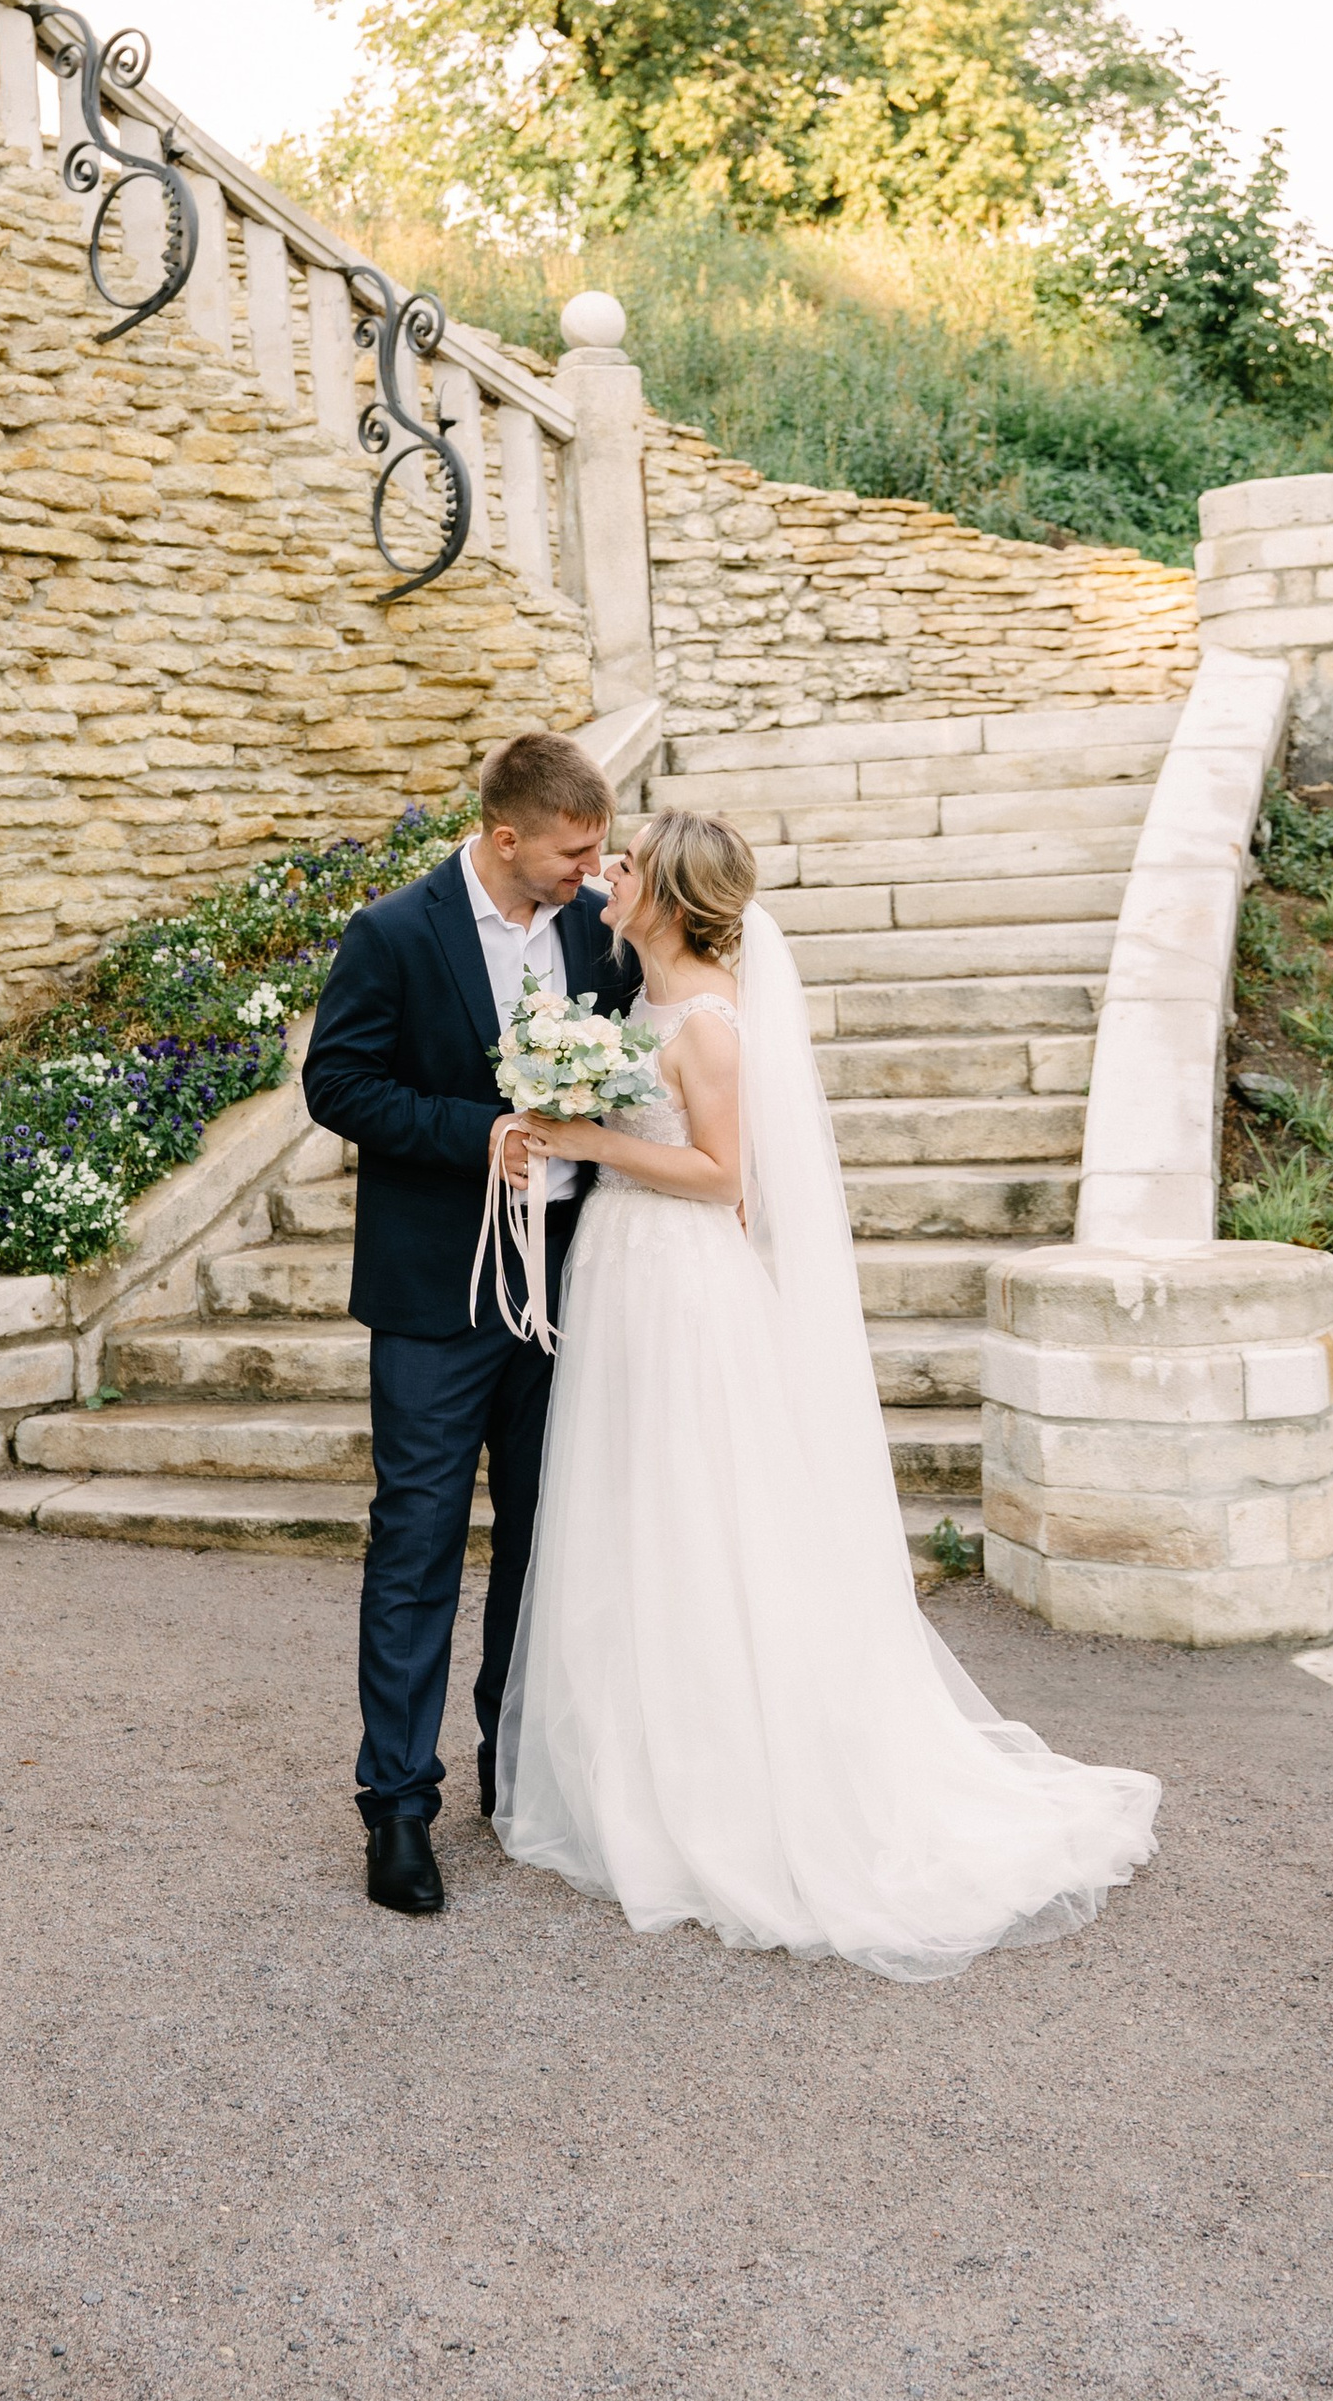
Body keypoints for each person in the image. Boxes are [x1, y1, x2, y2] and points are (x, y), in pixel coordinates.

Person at [490, 809, 1161, 1984]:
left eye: (627, 865)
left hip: (679, 1284)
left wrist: (585, 1137)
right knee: (635, 1516)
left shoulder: (707, 1023)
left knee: (700, 1516)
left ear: (670, 895)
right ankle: (636, 1765)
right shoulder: (637, 1003)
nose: (607, 875)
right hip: (623, 1274)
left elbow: (720, 1177)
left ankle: (730, 1785)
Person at [302, 732, 642, 1917]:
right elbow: (337, 1085)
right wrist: (474, 1131)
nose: (591, 871)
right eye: (573, 852)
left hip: (572, 1281)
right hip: (437, 1293)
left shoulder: (596, 931)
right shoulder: (395, 931)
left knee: (547, 1535)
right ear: (505, 837)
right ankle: (397, 1806)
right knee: (417, 1542)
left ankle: (517, 1767)